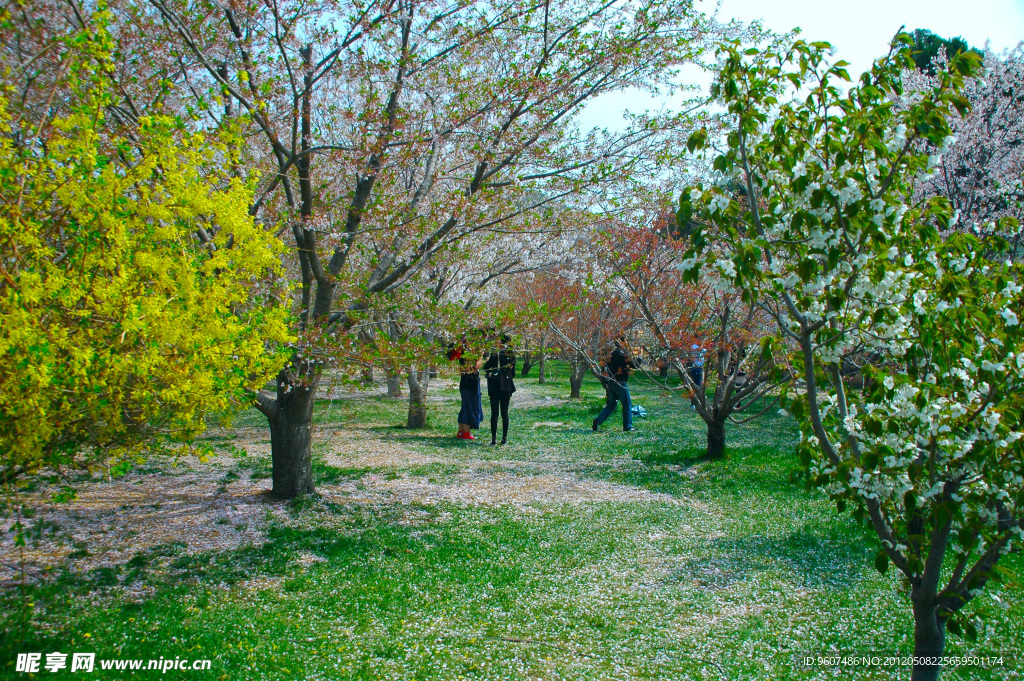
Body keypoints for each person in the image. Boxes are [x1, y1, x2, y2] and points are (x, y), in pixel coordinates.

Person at [592, 336, 641, 432]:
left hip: (611, 383)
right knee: (627, 405)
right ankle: (627, 426)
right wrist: (640, 356)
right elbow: (635, 365)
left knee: (611, 405)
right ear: (622, 343)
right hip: (620, 384)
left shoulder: (611, 355)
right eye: (626, 341)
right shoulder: (622, 356)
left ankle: (598, 420)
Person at [483, 334, 516, 445]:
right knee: (505, 413)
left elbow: (486, 368)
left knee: (494, 413)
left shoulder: (494, 354)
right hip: (506, 385)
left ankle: (493, 439)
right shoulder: (510, 354)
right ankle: (504, 438)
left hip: (494, 385)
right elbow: (513, 373)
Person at [448, 336, 483, 439]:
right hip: (471, 382)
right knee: (470, 407)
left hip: (464, 382)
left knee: (464, 406)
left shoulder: (461, 352)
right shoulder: (471, 354)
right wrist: (480, 356)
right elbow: (477, 366)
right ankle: (466, 432)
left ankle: (461, 431)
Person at [688, 343, 705, 409]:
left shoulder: (701, 346)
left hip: (700, 368)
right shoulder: (695, 347)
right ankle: (693, 403)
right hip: (696, 368)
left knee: (699, 386)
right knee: (696, 386)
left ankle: (697, 402)